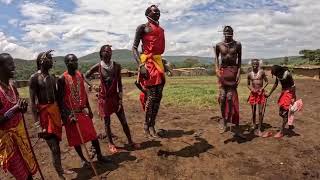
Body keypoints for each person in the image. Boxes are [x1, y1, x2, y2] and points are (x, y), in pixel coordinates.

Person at [57, 54, 110, 166]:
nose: (75, 62)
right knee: (76, 139)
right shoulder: (62, 79)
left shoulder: (80, 75)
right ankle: (83, 159)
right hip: (71, 114)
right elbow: (60, 100)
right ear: (66, 63)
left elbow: (84, 93)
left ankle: (99, 155)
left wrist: (89, 109)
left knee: (93, 135)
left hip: (82, 111)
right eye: (72, 61)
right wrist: (67, 115)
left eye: (76, 60)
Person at [85, 45, 139, 153]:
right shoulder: (98, 66)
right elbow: (85, 76)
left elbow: (119, 83)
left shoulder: (117, 66)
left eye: (109, 51)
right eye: (105, 51)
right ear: (101, 54)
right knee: (107, 123)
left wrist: (120, 98)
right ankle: (110, 143)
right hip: (104, 99)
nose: (108, 53)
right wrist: (92, 85)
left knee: (123, 121)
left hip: (115, 98)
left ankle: (130, 141)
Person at [29, 50, 73, 179]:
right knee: (54, 146)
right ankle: (60, 174)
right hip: (44, 116)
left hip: (55, 113)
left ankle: (60, 169)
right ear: (42, 61)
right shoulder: (34, 78)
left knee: (57, 145)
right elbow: (32, 102)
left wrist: (65, 114)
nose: (52, 61)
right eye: (49, 58)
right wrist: (37, 124)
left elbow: (59, 99)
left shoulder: (54, 78)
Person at [0, 53, 37, 180]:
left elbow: (19, 108)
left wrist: (22, 108)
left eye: (13, 63)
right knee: (23, 176)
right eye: (9, 64)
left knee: (28, 170)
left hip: (20, 137)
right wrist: (14, 110)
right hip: (8, 142)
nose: (14, 66)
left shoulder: (12, 86)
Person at [132, 5, 166, 138]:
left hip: (158, 63)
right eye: (154, 11)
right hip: (148, 64)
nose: (157, 13)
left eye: (158, 11)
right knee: (151, 97)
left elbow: (158, 51)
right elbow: (134, 48)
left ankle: (152, 124)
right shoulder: (142, 28)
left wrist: (164, 63)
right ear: (147, 14)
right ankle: (146, 125)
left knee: (158, 97)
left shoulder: (161, 30)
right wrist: (141, 65)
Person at [215, 26, 244, 138]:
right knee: (222, 97)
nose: (228, 33)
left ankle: (231, 120)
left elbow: (240, 60)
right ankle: (224, 120)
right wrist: (217, 70)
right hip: (223, 71)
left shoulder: (237, 45)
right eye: (226, 32)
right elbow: (216, 58)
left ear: (233, 33)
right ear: (223, 33)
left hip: (233, 71)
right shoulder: (219, 45)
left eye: (230, 32)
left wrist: (239, 73)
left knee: (230, 98)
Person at [266, 65, 296, 138]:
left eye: (275, 73)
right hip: (284, 93)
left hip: (289, 93)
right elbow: (276, 84)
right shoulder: (278, 75)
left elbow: (293, 85)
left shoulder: (287, 74)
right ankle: (289, 120)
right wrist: (269, 93)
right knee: (281, 113)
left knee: (284, 112)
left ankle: (281, 132)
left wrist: (293, 97)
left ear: (279, 71)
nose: (275, 75)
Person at [247, 59, 268, 136]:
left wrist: (262, 88)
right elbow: (248, 84)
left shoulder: (262, 72)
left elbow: (267, 81)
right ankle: (254, 125)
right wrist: (251, 89)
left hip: (260, 94)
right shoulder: (249, 74)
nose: (255, 66)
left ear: (258, 65)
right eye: (253, 64)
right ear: (251, 65)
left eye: (256, 64)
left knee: (260, 111)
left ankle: (259, 128)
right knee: (253, 111)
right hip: (253, 94)